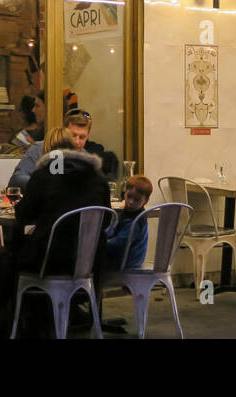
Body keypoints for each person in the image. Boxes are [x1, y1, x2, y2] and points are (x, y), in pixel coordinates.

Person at [13, 126, 112, 276]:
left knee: (11, 252)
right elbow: (106, 220)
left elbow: (23, 214)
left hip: (51, 261)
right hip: (91, 262)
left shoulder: (43, 176)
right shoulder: (97, 177)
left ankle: (21, 297)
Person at [8, 107, 119, 190]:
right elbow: (16, 179)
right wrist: (46, 184)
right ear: (64, 132)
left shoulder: (86, 158)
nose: (76, 141)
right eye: (73, 135)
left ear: (88, 136)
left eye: (82, 137)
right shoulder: (40, 148)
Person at [104, 175, 153, 270]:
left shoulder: (134, 221)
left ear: (145, 201)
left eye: (137, 199)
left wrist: (101, 243)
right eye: (129, 196)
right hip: (132, 258)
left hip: (129, 261)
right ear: (124, 193)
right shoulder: (130, 214)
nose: (131, 202)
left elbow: (119, 243)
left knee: (92, 260)